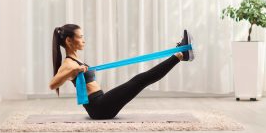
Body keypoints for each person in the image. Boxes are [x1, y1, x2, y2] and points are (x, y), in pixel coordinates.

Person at [50, 24, 194, 119]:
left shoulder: (76, 61)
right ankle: (180, 54)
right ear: (69, 41)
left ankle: (180, 54)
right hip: (99, 108)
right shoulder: (69, 64)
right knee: (140, 80)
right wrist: (72, 71)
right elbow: (53, 84)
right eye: (80, 37)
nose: (83, 40)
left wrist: (77, 69)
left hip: (101, 102)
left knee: (139, 80)